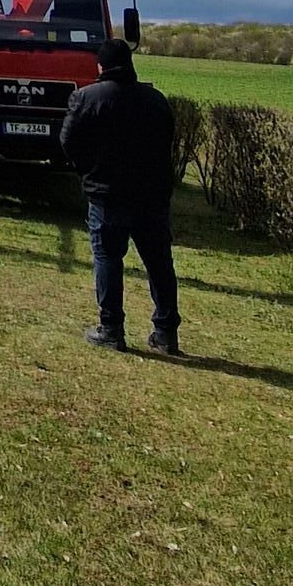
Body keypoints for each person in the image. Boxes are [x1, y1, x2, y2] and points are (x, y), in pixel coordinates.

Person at [59, 38, 181, 355]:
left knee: (108, 259)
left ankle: (111, 329)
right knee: (159, 262)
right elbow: (168, 140)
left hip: (107, 193)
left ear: (100, 66)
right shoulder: (156, 100)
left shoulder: (85, 98)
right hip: (152, 195)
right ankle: (166, 331)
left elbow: (69, 142)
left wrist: (88, 171)